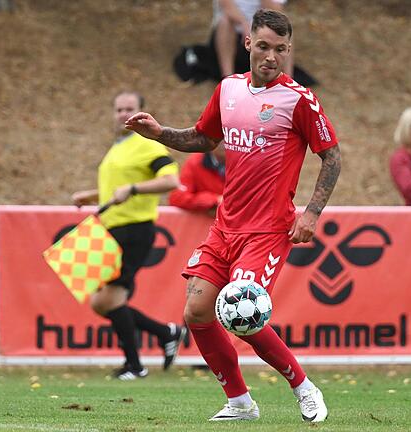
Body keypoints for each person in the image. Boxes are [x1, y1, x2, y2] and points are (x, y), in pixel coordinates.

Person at [126, 9, 340, 423]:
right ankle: (240, 402)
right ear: (247, 44)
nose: (271, 56)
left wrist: (311, 213)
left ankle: (302, 386)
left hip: (267, 230)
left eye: (280, 49)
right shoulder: (228, 90)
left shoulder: (298, 99)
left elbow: (331, 157)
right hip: (226, 226)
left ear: (288, 50)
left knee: (242, 313)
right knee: (197, 312)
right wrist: (160, 133)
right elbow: (203, 138)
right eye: (263, 46)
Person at [71, 91, 187, 380]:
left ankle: (135, 366)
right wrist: (93, 195)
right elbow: (120, 186)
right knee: (101, 302)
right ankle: (165, 333)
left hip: (135, 229)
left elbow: (171, 181)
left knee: (109, 300)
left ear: (143, 112)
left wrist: (134, 190)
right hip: (111, 229)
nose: (124, 114)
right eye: (119, 109)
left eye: (130, 109)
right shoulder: (118, 146)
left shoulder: (147, 145)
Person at [211, 0, 292, 78]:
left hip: (263, 34)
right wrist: (244, 24)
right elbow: (226, 5)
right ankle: (228, 77)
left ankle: (287, 79)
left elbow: (277, 12)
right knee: (225, 22)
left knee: (285, 27)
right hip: (234, 33)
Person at [168, 145, 225, 216]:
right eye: (221, 138)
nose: (225, 143)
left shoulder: (242, 163)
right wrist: (214, 200)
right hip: (207, 224)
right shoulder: (196, 161)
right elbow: (177, 198)